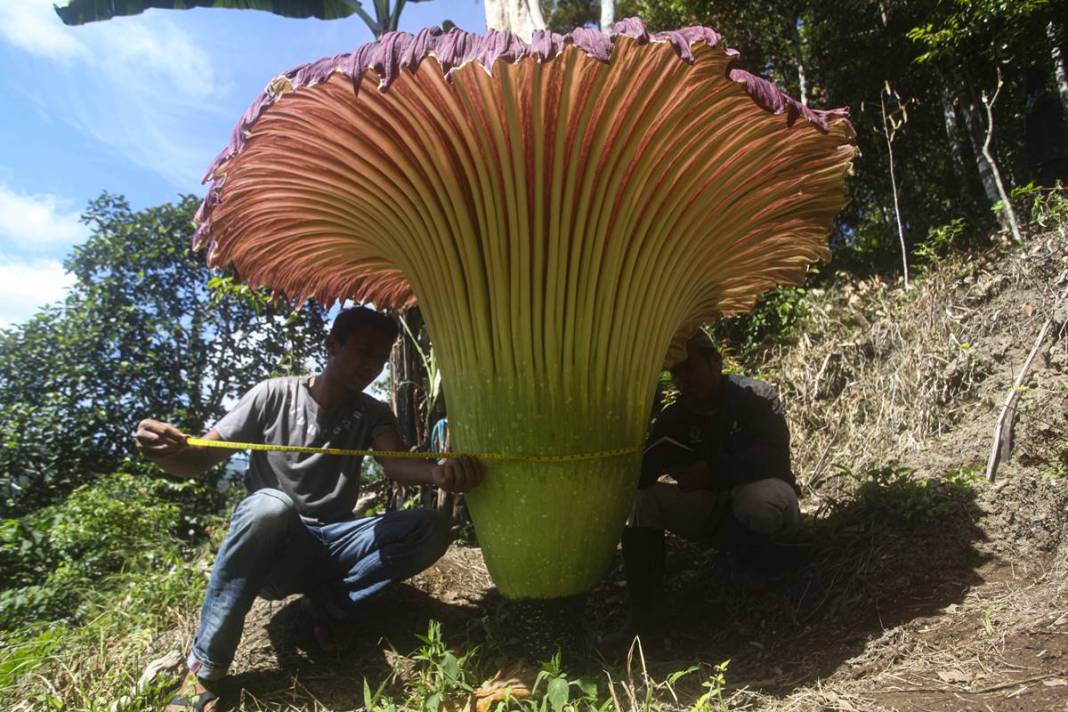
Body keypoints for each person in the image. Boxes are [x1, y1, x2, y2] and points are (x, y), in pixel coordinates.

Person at [135, 306, 483, 712]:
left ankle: (329, 605)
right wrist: (160, 449)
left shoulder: (373, 413)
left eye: (380, 359)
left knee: (429, 526)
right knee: (270, 505)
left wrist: (439, 474)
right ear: (332, 345)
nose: (371, 367)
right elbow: (195, 461)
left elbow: (395, 464)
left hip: (333, 544)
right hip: (276, 552)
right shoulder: (272, 395)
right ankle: (204, 673)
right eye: (363, 352)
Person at [611, 330, 800, 646]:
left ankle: (769, 575)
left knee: (759, 500)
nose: (684, 381)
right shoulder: (677, 417)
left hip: (764, 502)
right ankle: (646, 618)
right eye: (676, 375)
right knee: (643, 501)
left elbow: (772, 457)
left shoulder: (755, 397)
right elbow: (642, 474)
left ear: (715, 361)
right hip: (715, 512)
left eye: (690, 369)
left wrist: (712, 472)